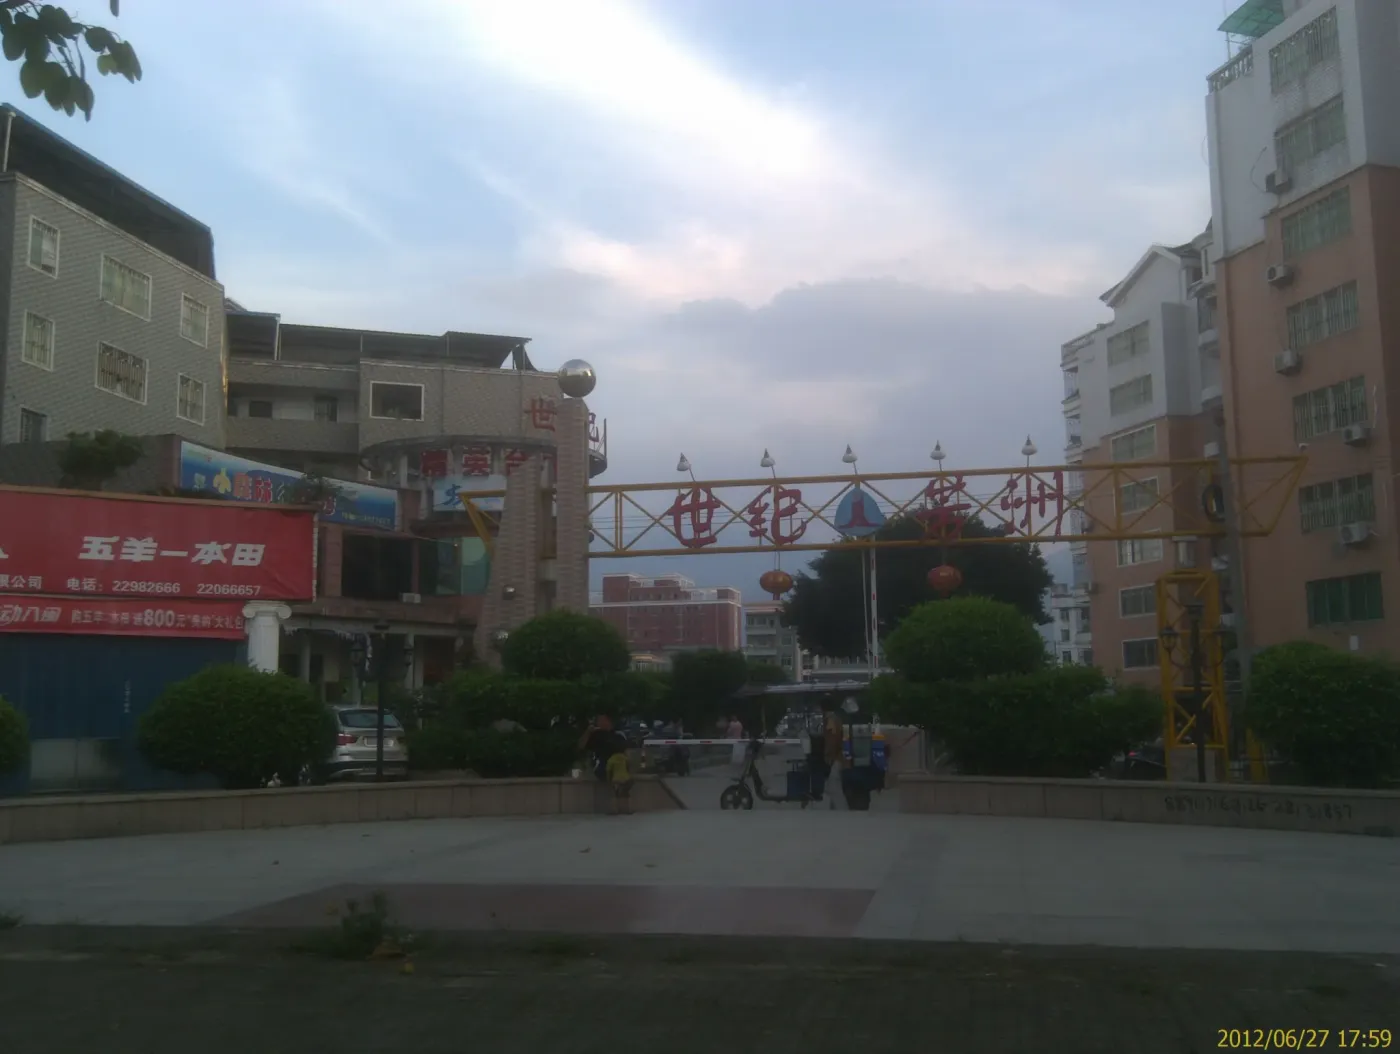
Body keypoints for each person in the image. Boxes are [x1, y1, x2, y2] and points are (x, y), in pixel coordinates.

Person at [578, 714, 623, 782]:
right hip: (600, 766)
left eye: (602, 720)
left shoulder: (618, 735)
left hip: (615, 766)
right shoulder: (595, 735)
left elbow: (625, 751)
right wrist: (588, 732)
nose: (599, 723)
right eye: (599, 721)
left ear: (609, 721)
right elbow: (581, 746)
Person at [822, 704, 846, 810]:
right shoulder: (836, 719)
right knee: (834, 784)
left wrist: (828, 756)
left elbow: (832, 741)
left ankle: (842, 809)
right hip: (840, 756)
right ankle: (834, 809)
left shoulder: (831, 720)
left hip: (838, 757)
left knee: (833, 784)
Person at [605, 748, 634, 815]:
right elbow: (629, 767)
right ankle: (628, 810)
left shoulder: (611, 759)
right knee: (626, 794)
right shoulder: (625, 758)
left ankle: (615, 810)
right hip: (626, 779)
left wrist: (608, 779)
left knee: (615, 795)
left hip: (616, 780)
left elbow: (608, 771)